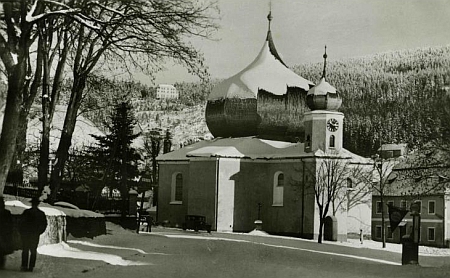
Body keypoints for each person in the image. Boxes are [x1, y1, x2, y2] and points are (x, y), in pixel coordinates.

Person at [19, 197, 47, 272]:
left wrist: (22, 232)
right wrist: (38, 232)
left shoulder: (26, 212)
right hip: (34, 235)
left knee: (25, 250)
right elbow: (44, 225)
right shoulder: (41, 214)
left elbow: (21, 223)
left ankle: (24, 266)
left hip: (27, 234)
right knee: (33, 250)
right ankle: (31, 266)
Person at [0, 197, 13, 269]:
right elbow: (10, 224)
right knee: (2, 250)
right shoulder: (7, 213)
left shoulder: (7, 213)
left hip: (3, 233)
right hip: (4, 233)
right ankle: (1, 264)